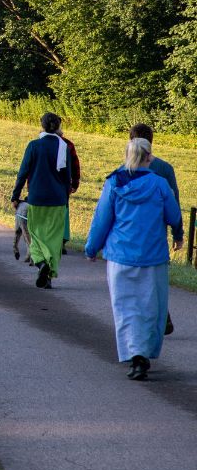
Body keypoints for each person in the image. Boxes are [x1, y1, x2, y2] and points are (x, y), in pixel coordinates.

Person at [85, 137, 182, 380]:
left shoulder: (113, 182)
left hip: (121, 256)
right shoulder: (159, 184)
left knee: (125, 307)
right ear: (149, 156)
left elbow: (102, 218)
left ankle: (134, 355)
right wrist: (176, 232)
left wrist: (91, 248)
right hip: (153, 256)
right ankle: (145, 354)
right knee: (151, 306)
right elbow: (173, 215)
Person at [129, 123, 182, 335]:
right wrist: (178, 234)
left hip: (130, 235)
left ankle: (143, 325)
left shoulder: (125, 171)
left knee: (134, 281)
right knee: (155, 278)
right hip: (156, 234)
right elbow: (174, 205)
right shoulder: (165, 169)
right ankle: (162, 314)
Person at [11, 112, 73, 289]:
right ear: (58, 126)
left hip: (36, 199)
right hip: (58, 200)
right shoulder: (64, 148)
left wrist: (15, 196)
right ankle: (49, 277)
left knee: (36, 236)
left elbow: (23, 172)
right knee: (53, 239)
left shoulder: (34, 146)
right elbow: (67, 178)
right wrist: (65, 198)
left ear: (42, 125)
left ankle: (41, 264)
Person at [59, 123, 81, 255]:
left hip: (44, 186)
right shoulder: (68, 144)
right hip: (63, 185)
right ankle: (61, 240)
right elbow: (75, 165)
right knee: (63, 213)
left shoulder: (39, 143)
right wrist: (75, 183)